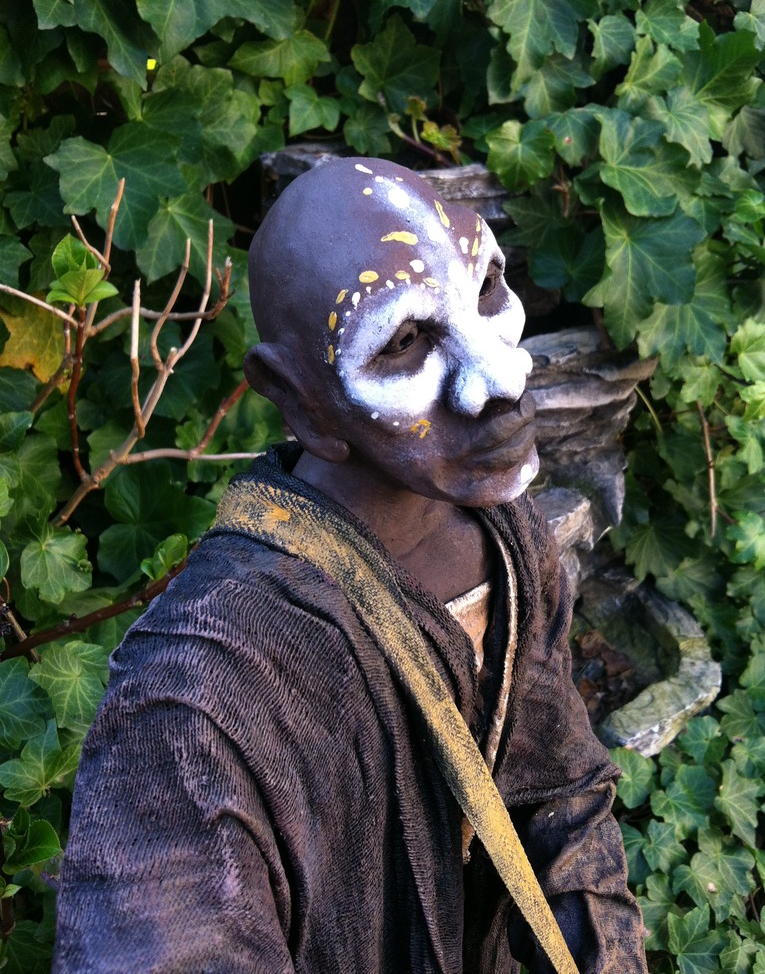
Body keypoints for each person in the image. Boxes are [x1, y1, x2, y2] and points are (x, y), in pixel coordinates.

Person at [53, 158, 647, 973]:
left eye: (484, 288)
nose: (503, 377)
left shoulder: (504, 532)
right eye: (403, 341)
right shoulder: (196, 695)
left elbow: (560, 794)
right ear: (298, 398)